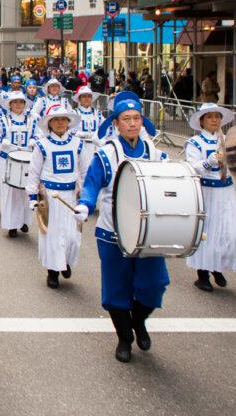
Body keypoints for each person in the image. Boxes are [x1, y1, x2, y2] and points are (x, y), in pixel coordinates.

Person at [75, 92, 168, 363]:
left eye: (136, 118)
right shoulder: (106, 153)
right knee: (117, 287)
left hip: (148, 229)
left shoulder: (154, 153)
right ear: (116, 123)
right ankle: (124, 337)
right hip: (112, 230)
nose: (132, 124)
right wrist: (85, 204)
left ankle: (138, 320)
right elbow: (93, 183)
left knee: (155, 284)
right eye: (126, 119)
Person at [184, 103, 236, 292]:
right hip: (207, 192)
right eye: (210, 117)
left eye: (217, 116)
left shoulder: (228, 140)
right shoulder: (195, 143)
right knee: (207, 233)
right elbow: (192, 168)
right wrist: (210, 161)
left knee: (228, 233)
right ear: (202, 121)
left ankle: (218, 267)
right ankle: (203, 274)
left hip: (226, 191)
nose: (215, 120)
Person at [26, 104, 84, 289]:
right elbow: (34, 172)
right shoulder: (41, 145)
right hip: (50, 198)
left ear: (68, 122)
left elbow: (83, 171)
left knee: (72, 236)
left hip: (71, 197)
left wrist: (84, 196)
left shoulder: (78, 143)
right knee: (52, 236)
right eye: (56, 120)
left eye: (63, 120)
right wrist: (33, 197)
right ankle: (53, 272)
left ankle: (65, 261)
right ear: (49, 123)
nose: (60, 123)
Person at [0, 91, 35, 237]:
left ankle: (24, 222)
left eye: (21, 102)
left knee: (26, 191)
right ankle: (11, 225)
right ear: (10, 104)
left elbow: (41, 135)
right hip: (8, 160)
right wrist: (2, 140)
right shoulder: (2, 119)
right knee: (10, 192)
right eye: (14, 102)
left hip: (28, 159)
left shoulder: (32, 119)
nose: (18, 105)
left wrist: (35, 140)